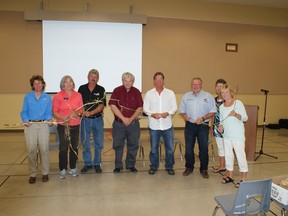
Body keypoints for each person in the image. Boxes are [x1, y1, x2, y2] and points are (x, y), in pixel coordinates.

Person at [179, 77, 216, 179]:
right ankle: (189, 167)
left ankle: (204, 169)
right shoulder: (186, 96)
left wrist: (203, 118)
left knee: (203, 148)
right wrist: (184, 115)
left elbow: (213, 111)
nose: (195, 86)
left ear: (201, 85)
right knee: (188, 148)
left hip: (203, 126)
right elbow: (182, 110)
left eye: (197, 84)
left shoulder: (208, 96)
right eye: (193, 85)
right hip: (190, 126)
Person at [143, 72, 178, 175]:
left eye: (160, 79)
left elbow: (174, 107)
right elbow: (145, 109)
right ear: (154, 81)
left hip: (167, 125)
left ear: (163, 80)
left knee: (170, 149)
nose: (158, 81)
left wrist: (168, 113)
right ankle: (154, 166)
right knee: (154, 148)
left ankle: (169, 166)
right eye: (156, 79)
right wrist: (152, 114)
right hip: (154, 126)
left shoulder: (170, 93)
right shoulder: (149, 94)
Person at [20, 75, 53, 184]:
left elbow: (49, 112)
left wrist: (49, 119)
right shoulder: (28, 97)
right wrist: (25, 120)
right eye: (35, 84)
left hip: (43, 125)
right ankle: (32, 174)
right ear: (32, 85)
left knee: (44, 149)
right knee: (31, 150)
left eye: (40, 83)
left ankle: (45, 173)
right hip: (31, 126)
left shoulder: (47, 98)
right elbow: (24, 111)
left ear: (43, 84)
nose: (38, 85)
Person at [108, 72, 143, 173]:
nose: (127, 83)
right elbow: (113, 106)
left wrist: (131, 119)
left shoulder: (136, 92)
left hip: (133, 124)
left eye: (130, 81)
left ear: (133, 82)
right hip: (119, 124)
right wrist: (123, 118)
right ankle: (118, 165)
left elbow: (140, 107)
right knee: (118, 145)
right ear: (122, 81)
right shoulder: (117, 90)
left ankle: (130, 165)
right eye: (125, 80)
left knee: (133, 145)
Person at [52, 75, 84, 179]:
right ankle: (62, 169)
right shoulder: (58, 96)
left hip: (75, 125)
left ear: (73, 84)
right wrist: (63, 117)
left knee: (74, 147)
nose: (69, 84)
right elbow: (54, 112)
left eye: (71, 82)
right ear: (62, 84)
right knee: (63, 147)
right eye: (66, 82)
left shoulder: (78, 95)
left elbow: (81, 110)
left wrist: (77, 113)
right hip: (63, 125)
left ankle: (73, 167)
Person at [217, 85, 248, 186]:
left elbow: (245, 118)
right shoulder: (221, 107)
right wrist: (220, 127)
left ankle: (244, 178)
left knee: (240, 156)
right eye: (222, 92)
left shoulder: (238, 103)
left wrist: (236, 114)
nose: (224, 94)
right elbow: (221, 121)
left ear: (231, 93)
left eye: (226, 92)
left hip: (237, 136)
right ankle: (230, 175)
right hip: (226, 136)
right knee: (229, 156)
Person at [78, 69, 106, 174]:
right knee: (85, 142)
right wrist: (84, 112)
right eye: (91, 76)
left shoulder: (101, 89)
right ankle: (88, 163)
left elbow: (102, 105)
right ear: (88, 77)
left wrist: (92, 112)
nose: (93, 78)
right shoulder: (81, 88)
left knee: (98, 143)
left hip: (97, 119)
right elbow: (78, 103)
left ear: (97, 78)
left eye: (95, 77)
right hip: (85, 120)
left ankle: (97, 163)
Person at [211, 79, 227, 173]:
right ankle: (222, 166)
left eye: (221, 86)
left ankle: (229, 167)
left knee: (228, 147)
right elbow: (212, 114)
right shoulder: (213, 100)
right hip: (217, 128)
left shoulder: (228, 100)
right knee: (220, 147)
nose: (219, 88)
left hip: (227, 128)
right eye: (217, 86)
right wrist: (211, 127)